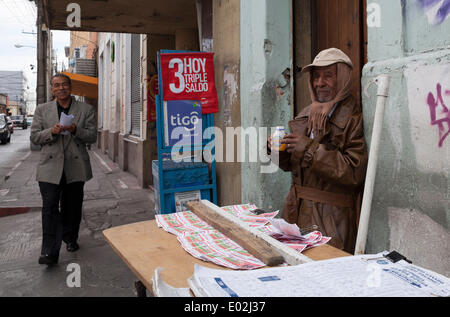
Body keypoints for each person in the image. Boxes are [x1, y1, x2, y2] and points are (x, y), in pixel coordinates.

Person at [268, 48, 368, 253]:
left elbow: (354, 173)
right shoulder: (309, 114)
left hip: (330, 220)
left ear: (343, 79)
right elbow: (296, 167)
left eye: (328, 76)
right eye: (316, 76)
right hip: (296, 213)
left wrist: (307, 148)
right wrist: (279, 151)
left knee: (327, 277)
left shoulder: (353, 118)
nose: (319, 83)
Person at [30, 73, 97, 265]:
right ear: (52, 89)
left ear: (70, 87)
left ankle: (70, 238)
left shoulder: (86, 109)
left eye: (64, 85)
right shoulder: (42, 110)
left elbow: (92, 136)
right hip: (49, 167)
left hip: (75, 166)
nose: (61, 88)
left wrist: (76, 130)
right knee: (49, 208)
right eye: (57, 85)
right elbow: (34, 137)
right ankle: (49, 251)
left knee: (72, 207)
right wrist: (51, 131)